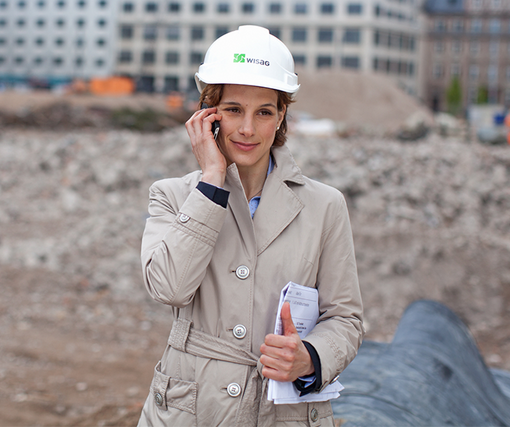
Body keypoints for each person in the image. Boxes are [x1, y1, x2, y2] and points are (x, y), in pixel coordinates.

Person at [138, 26, 364, 427]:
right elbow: (169, 287)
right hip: (190, 409)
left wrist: (310, 357)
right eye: (233, 110)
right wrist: (211, 179)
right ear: (208, 115)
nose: (247, 129)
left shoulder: (325, 205)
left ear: (281, 118)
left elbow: (345, 318)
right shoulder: (172, 196)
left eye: (264, 112)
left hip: (282, 412)